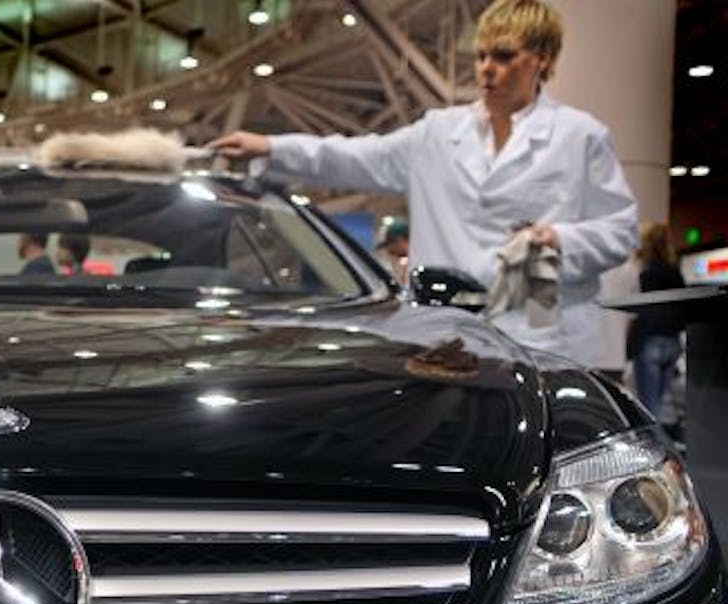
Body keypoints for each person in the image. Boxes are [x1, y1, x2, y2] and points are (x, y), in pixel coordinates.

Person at [208, 0, 637, 368]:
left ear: (541, 58)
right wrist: (271, 148)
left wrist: (560, 239)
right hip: (446, 333)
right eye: (481, 56)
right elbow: (356, 156)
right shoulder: (438, 133)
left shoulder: (580, 136)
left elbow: (620, 231)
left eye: (504, 56)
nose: (487, 69)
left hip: (544, 330)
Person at [627, 221, 685, 422]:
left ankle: (653, 450)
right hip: (672, 343)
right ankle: (662, 446)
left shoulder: (646, 272)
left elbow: (642, 311)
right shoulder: (675, 272)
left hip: (650, 341)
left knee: (647, 408)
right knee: (658, 406)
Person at [375, 218, 411, 286]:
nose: (388, 250)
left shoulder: (415, 262)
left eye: (389, 244)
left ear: (399, 240)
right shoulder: (404, 261)